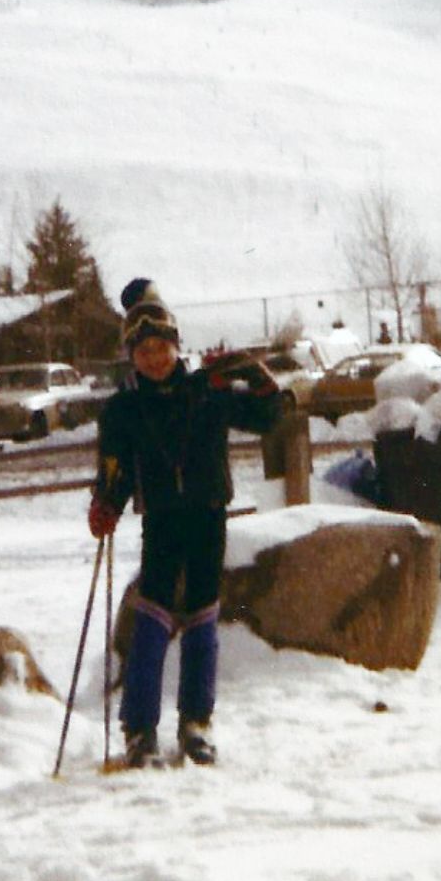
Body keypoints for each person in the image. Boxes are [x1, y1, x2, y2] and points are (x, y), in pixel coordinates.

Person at [88, 278, 281, 768]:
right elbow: (114, 464)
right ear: (131, 354)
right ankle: (139, 729)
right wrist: (107, 501)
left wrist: (255, 375)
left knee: (201, 615)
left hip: (207, 513)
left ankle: (196, 722)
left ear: (177, 347)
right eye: (143, 350)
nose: (154, 358)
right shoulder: (124, 407)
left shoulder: (206, 392)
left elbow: (266, 416)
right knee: (152, 615)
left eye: (162, 348)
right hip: (162, 520)